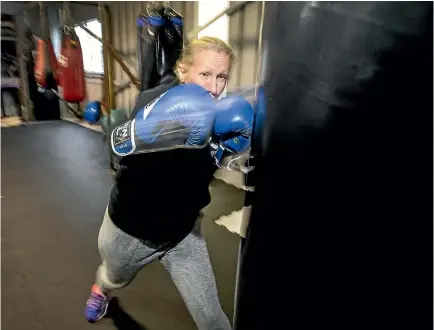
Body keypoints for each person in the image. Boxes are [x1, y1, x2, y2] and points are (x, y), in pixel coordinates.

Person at [84, 36, 253, 330]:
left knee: (213, 320)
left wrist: (226, 152)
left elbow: (214, 162)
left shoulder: (223, 116)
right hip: (131, 233)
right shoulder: (154, 101)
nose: (214, 87)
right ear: (183, 70)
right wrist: (161, 129)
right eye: (205, 74)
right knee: (112, 277)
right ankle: (101, 291)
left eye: (222, 77)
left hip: (184, 234)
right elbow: (119, 149)